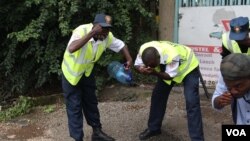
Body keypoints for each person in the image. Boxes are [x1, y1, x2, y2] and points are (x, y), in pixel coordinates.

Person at [61, 13, 133, 141]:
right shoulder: (81, 30)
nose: (105, 33)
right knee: (74, 106)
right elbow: (71, 48)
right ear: (95, 26)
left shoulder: (106, 36)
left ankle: (97, 132)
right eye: (103, 29)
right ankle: (78, 138)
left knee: (91, 102)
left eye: (107, 29)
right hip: (71, 75)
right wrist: (92, 33)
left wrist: (128, 58)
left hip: (87, 73)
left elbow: (121, 45)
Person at [134, 41, 204, 141]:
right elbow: (137, 65)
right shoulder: (143, 50)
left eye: (153, 65)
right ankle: (154, 128)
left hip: (188, 67)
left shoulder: (172, 54)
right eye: (148, 65)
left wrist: (154, 72)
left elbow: (170, 76)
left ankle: (197, 139)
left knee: (191, 101)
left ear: (158, 58)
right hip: (168, 68)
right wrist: (140, 69)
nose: (150, 67)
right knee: (158, 96)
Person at [212, 53, 250, 125]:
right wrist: (220, 101)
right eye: (228, 86)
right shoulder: (227, 75)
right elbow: (216, 99)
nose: (233, 91)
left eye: (238, 86)